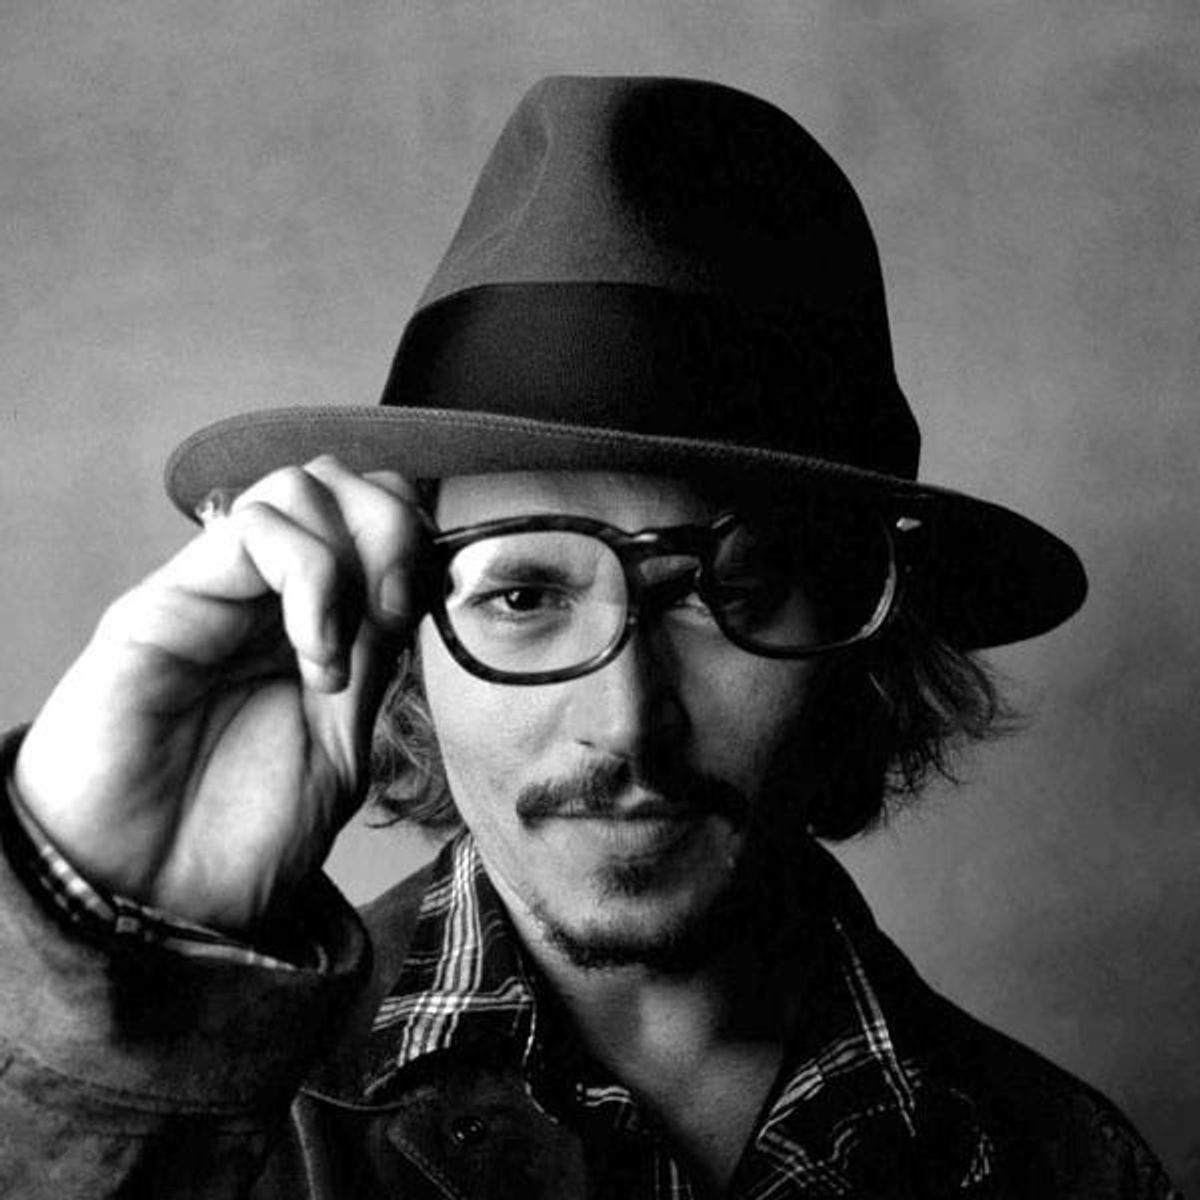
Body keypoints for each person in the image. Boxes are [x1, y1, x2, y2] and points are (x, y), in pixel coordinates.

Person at [0, 75, 1178, 1199]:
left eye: (737, 591)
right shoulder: (197, 1128)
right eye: (524, 596)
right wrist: (99, 970)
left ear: (865, 638)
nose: (626, 722)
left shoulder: (1071, 1172)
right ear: (401, 641)